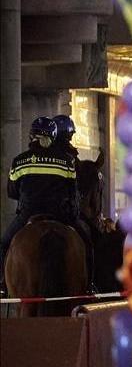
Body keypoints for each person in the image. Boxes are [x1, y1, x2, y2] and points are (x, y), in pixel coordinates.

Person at [1, 117, 83, 289]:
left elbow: (12, 192)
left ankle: (3, 284)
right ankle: (88, 284)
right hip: (60, 215)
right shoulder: (67, 161)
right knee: (86, 241)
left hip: (27, 214)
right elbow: (72, 193)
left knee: (4, 243)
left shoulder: (19, 160)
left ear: (31, 136)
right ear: (53, 138)